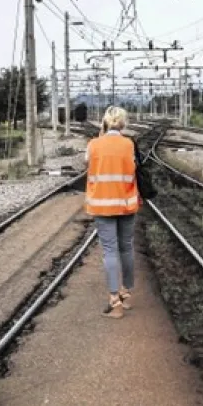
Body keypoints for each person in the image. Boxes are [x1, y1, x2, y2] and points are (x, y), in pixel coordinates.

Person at [85, 106, 139, 319]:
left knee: (110, 251)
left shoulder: (94, 144)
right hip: (126, 203)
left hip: (102, 205)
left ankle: (115, 302)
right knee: (127, 248)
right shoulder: (129, 144)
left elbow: (87, 162)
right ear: (123, 124)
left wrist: (100, 137)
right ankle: (126, 294)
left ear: (105, 122)